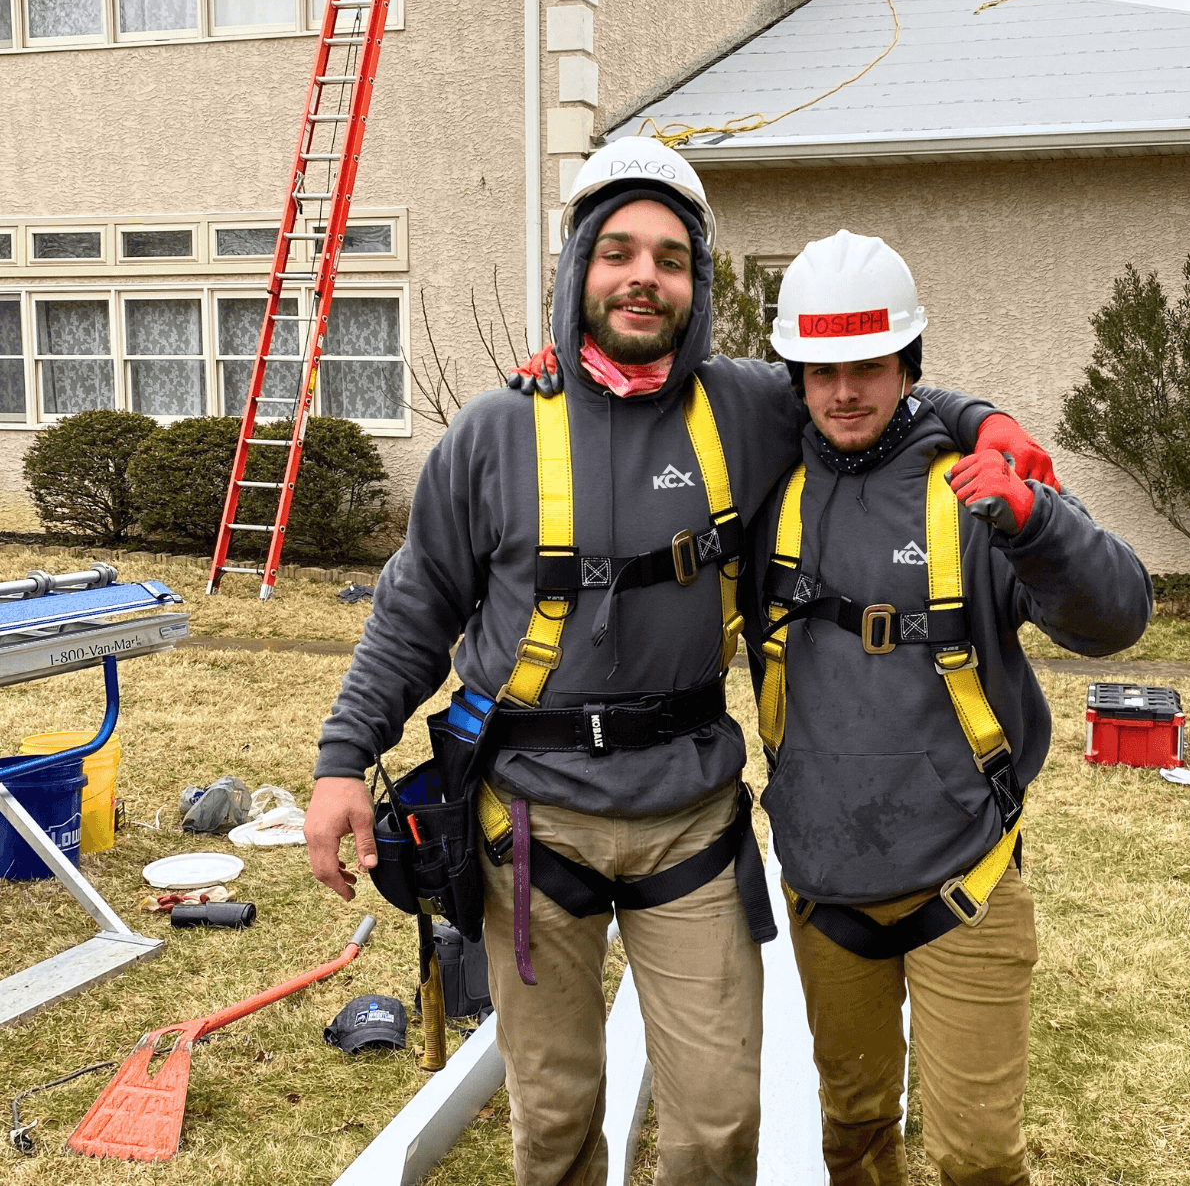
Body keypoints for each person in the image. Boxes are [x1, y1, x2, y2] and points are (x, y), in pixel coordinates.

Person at [302, 141, 1051, 1186]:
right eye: (617, 252)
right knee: (554, 1122)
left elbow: (874, 384)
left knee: (716, 1125)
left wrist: (987, 421)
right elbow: (414, 606)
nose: (642, 276)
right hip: (532, 824)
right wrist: (344, 759)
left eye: (669, 257)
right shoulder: (494, 433)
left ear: (696, 281)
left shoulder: (745, 407)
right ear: (579, 268)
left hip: (688, 820)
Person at [747, 229, 1153, 1186]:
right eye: (822, 370)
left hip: (964, 886)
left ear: (907, 364)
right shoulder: (767, 494)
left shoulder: (973, 488)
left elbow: (1117, 616)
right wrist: (563, 366)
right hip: (824, 889)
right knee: (852, 1131)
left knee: (977, 1157)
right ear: (796, 377)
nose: (845, 391)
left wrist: (1037, 523)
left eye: (869, 365)